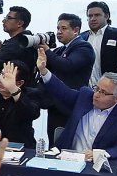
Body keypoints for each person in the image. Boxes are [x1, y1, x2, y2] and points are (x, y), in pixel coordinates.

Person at [36, 46, 117, 160]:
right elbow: (62, 91)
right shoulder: (85, 96)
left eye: (103, 92)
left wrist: (101, 154)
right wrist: (44, 71)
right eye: (97, 88)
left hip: (96, 164)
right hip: (67, 157)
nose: (97, 94)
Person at [38, 13, 95, 142]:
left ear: (76, 30)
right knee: (53, 143)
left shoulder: (83, 47)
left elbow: (67, 66)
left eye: (64, 28)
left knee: (65, 144)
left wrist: (47, 51)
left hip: (70, 105)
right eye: (58, 28)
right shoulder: (60, 50)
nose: (59, 32)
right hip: (54, 105)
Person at [82, 1, 117, 87]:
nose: (93, 19)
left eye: (97, 15)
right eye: (90, 16)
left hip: (109, 90)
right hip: (84, 89)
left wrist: (115, 81)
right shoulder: (82, 37)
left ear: (107, 16)